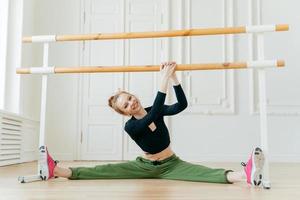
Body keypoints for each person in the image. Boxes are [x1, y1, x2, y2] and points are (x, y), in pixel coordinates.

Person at [42, 62, 265, 186]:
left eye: (130, 97)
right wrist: (162, 81)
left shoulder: (152, 110)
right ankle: (57, 170)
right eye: (126, 104)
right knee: (105, 170)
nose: (131, 102)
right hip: (144, 165)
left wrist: (174, 79)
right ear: (124, 112)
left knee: (205, 173)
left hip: (172, 163)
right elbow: (153, 115)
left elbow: (181, 105)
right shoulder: (131, 127)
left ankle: (245, 175)